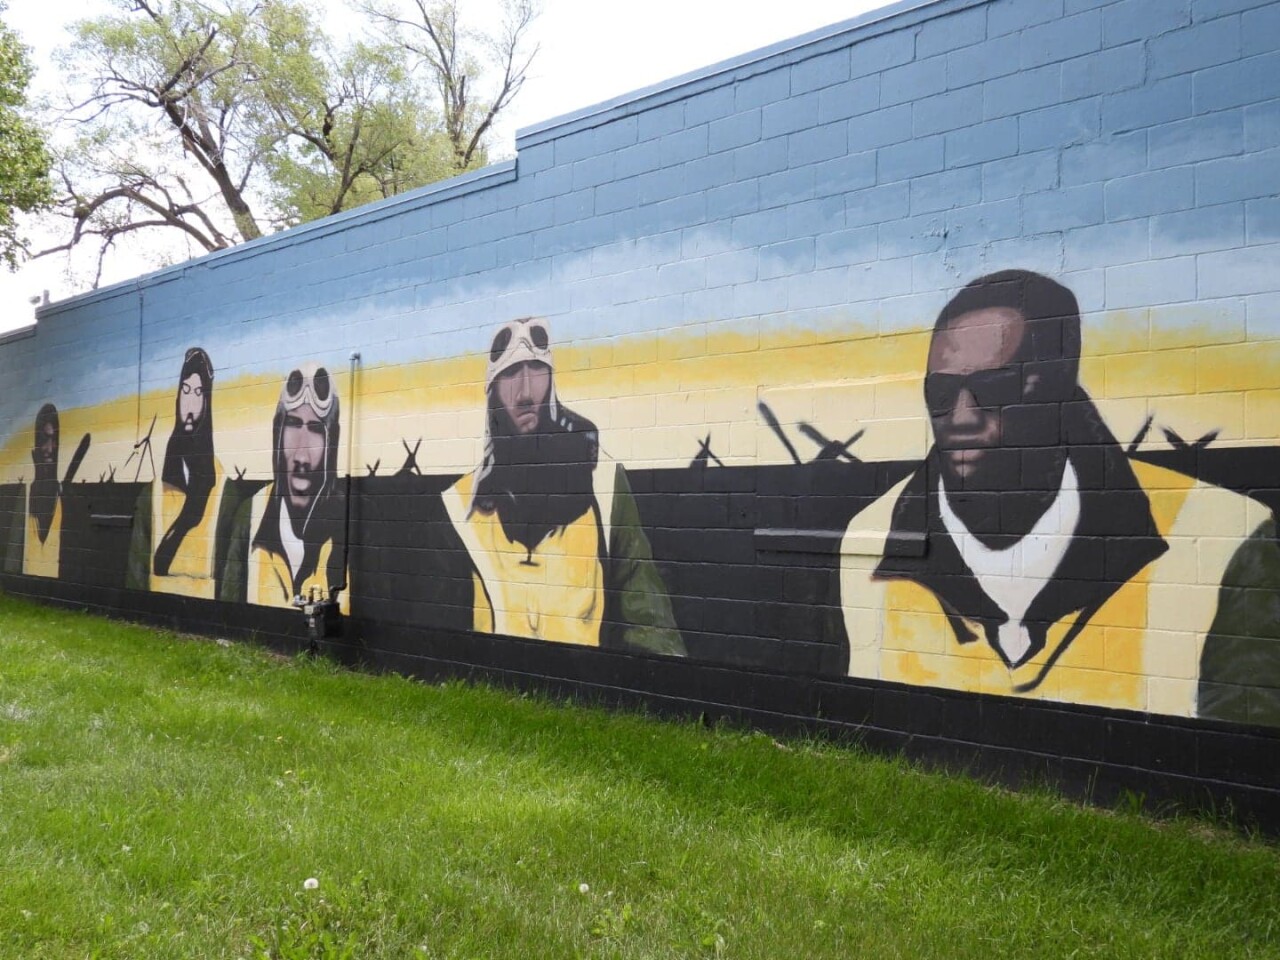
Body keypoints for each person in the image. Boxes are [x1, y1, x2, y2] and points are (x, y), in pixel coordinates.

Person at [840, 269, 1272, 719]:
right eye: (941, 392)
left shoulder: (1226, 535)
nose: (961, 415)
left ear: (1059, 386)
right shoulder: (869, 540)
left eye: (994, 387)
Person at [441, 317, 685, 655]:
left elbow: (649, 622)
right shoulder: (459, 506)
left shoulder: (604, 485)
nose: (526, 392)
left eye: (537, 370)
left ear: (552, 382)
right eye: (511, 374)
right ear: (493, 391)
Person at [218, 363, 346, 609]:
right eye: (294, 424)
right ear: (278, 432)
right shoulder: (250, 515)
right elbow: (227, 610)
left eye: (316, 429)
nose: (301, 455)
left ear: (333, 442)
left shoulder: (352, 521)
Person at [127, 348, 223, 596]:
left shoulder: (222, 488)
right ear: (178, 396)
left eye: (199, 392)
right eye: (186, 391)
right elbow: (136, 571)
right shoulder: (153, 493)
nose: (191, 403)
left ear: (207, 401)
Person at [24, 403, 62, 578]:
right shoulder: (25, 500)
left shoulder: (63, 500)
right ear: (35, 446)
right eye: (44, 440)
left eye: (54, 440)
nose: (50, 448)